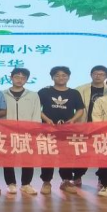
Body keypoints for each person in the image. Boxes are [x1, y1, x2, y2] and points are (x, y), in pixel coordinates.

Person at [38, 66, 85, 195]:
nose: (61, 78)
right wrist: (46, 119)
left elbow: (80, 109)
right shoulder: (44, 91)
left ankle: (66, 181)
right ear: (52, 77)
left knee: (67, 156)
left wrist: (73, 120)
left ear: (68, 77)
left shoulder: (74, 93)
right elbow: (37, 107)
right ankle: (46, 182)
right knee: (48, 155)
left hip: (67, 130)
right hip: (48, 129)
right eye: (57, 75)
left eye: (64, 75)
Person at [2, 68, 41, 196]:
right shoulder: (2, 94)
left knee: (28, 159)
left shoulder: (33, 95)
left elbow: (36, 114)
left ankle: (26, 184)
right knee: (8, 158)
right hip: (7, 132)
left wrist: (34, 130)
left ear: (27, 80)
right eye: (17, 77)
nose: (20, 80)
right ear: (11, 78)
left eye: (23, 77)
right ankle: (11, 184)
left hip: (27, 132)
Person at [73, 65, 107, 188]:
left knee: (105, 155)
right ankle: (77, 176)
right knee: (83, 154)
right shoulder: (80, 89)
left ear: (106, 76)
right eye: (95, 74)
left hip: (104, 128)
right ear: (91, 75)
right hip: (85, 127)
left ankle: (103, 180)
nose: (98, 76)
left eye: (101, 74)